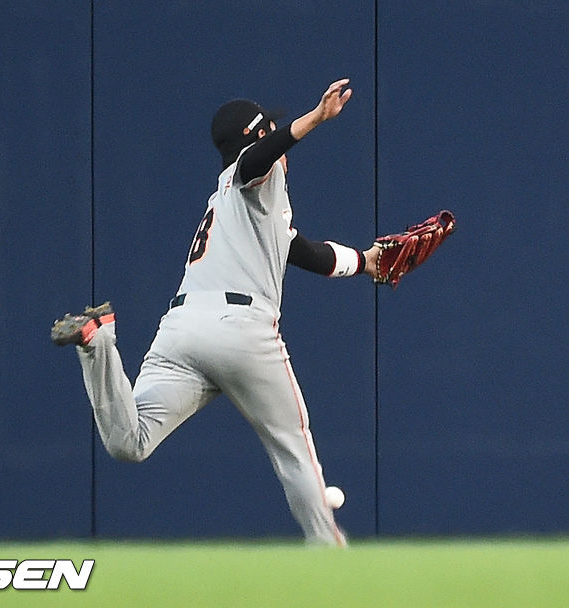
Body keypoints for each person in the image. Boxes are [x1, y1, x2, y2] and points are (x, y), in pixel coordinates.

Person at [51, 78, 380, 546]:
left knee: (129, 442)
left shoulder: (237, 206)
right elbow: (255, 160)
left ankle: (98, 343)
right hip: (240, 330)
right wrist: (315, 118)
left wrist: (365, 262)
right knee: (293, 447)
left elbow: (306, 252)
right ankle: (330, 555)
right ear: (259, 135)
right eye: (269, 129)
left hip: (181, 332)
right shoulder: (252, 175)